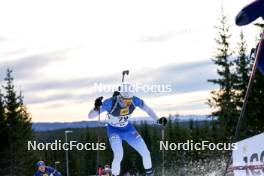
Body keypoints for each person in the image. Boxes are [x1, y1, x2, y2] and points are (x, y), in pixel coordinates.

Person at [88, 83, 167, 176]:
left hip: (128, 130)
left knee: (145, 152)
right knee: (118, 155)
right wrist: (96, 107)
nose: (128, 103)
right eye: (126, 100)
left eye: (130, 100)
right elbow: (90, 116)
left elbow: (147, 109)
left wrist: (157, 120)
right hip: (114, 131)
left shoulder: (134, 100)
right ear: (120, 97)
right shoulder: (110, 103)